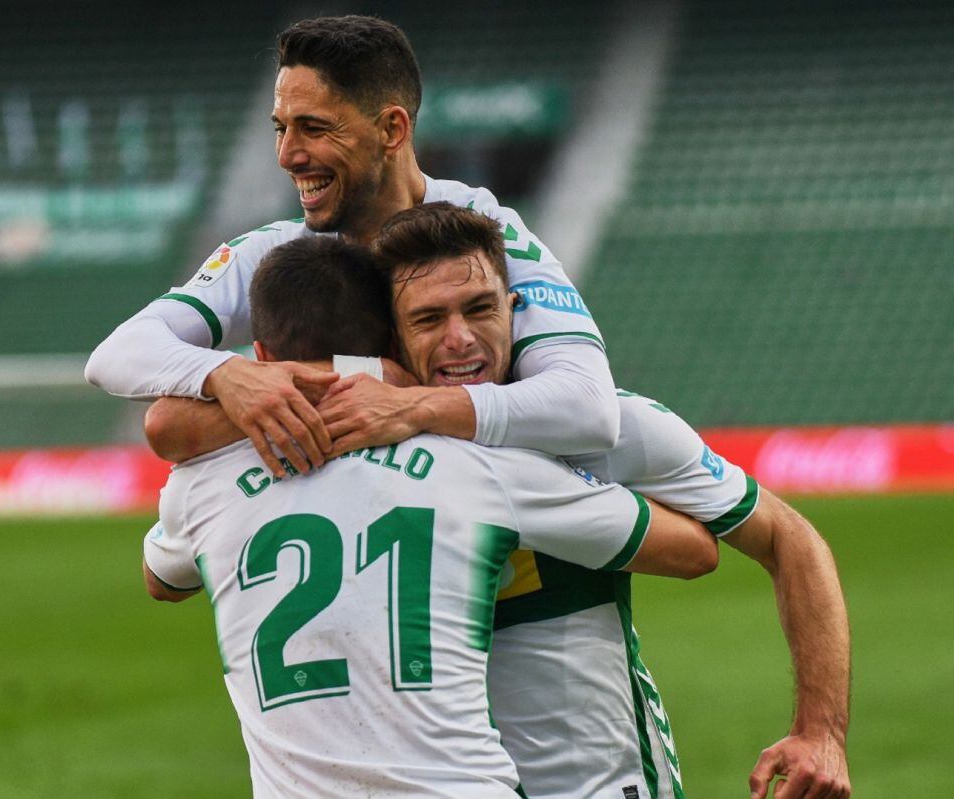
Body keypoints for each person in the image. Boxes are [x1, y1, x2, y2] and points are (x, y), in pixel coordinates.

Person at [148, 203, 851, 799]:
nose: (460, 338)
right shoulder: (376, 446)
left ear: (515, 309)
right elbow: (172, 427)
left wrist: (821, 731)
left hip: (599, 782)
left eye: (480, 308)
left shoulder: (607, 425)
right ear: (390, 336)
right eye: (428, 319)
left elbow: (790, 539)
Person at [85, 15, 621, 483]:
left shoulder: (488, 236)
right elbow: (119, 355)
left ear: (391, 129)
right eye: (281, 129)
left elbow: (589, 407)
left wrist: (406, 404)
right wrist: (229, 376)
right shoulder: (276, 253)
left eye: (313, 128)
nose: (288, 155)